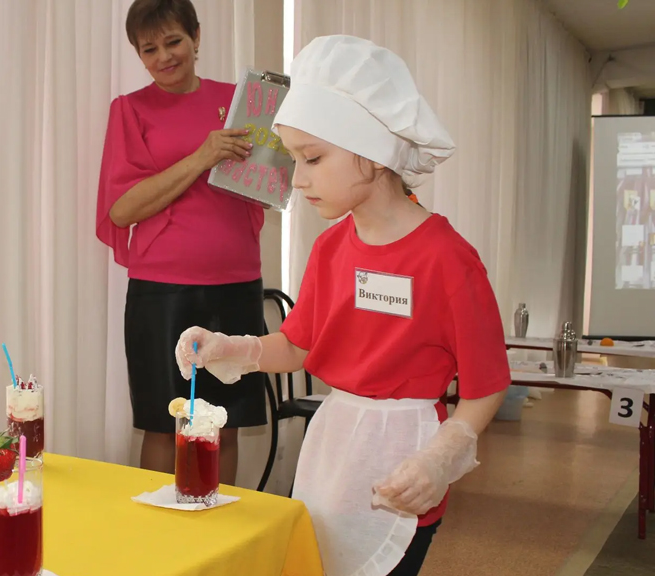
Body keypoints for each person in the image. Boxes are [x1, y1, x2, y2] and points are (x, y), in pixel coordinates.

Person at [175, 35, 510, 576]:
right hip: (331, 457)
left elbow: (486, 383)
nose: (298, 178)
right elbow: (298, 346)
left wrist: (440, 458)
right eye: (292, 159)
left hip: (405, 463)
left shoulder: (447, 259)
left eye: (312, 158)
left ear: (373, 153)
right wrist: (229, 349)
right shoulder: (331, 249)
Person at [95, 0, 267, 485]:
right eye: (149, 49)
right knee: (164, 422)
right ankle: (156, 526)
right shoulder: (130, 109)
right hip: (162, 290)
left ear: (196, 37)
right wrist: (202, 156)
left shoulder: (239, 101)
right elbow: (121, 210)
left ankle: (218, 524)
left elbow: (269, 184)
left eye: (173, 42)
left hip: (237, 281)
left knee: (225, 422)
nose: (164, 57)